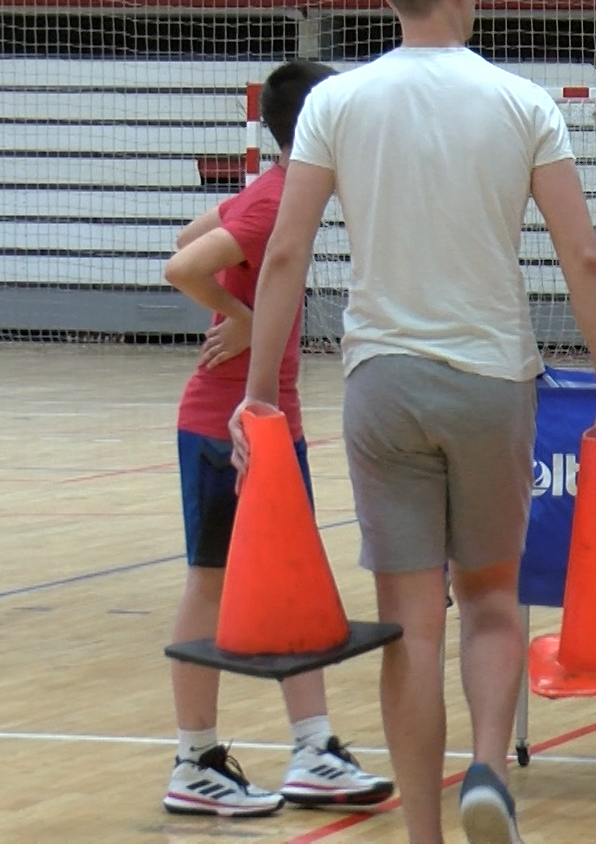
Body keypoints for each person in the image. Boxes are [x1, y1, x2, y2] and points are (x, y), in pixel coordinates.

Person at [233, 0, 596, 844]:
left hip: (382, 383)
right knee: (492, 601)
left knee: (409, 626)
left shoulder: (336, 103)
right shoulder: (521, 103)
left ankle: (422, 833)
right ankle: (489, 771)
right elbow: (584, 259)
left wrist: (259, 392)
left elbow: (285, 255)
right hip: (490, 380)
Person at [160, 61, 393, 817]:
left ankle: (312, 748)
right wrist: (243, 317)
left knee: (290, 579)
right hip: (228, 427)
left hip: (264, 421)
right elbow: (183, 262)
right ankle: (195, 760)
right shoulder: (273, 201)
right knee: (211, 583)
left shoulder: (278, 194)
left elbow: (193, 232)